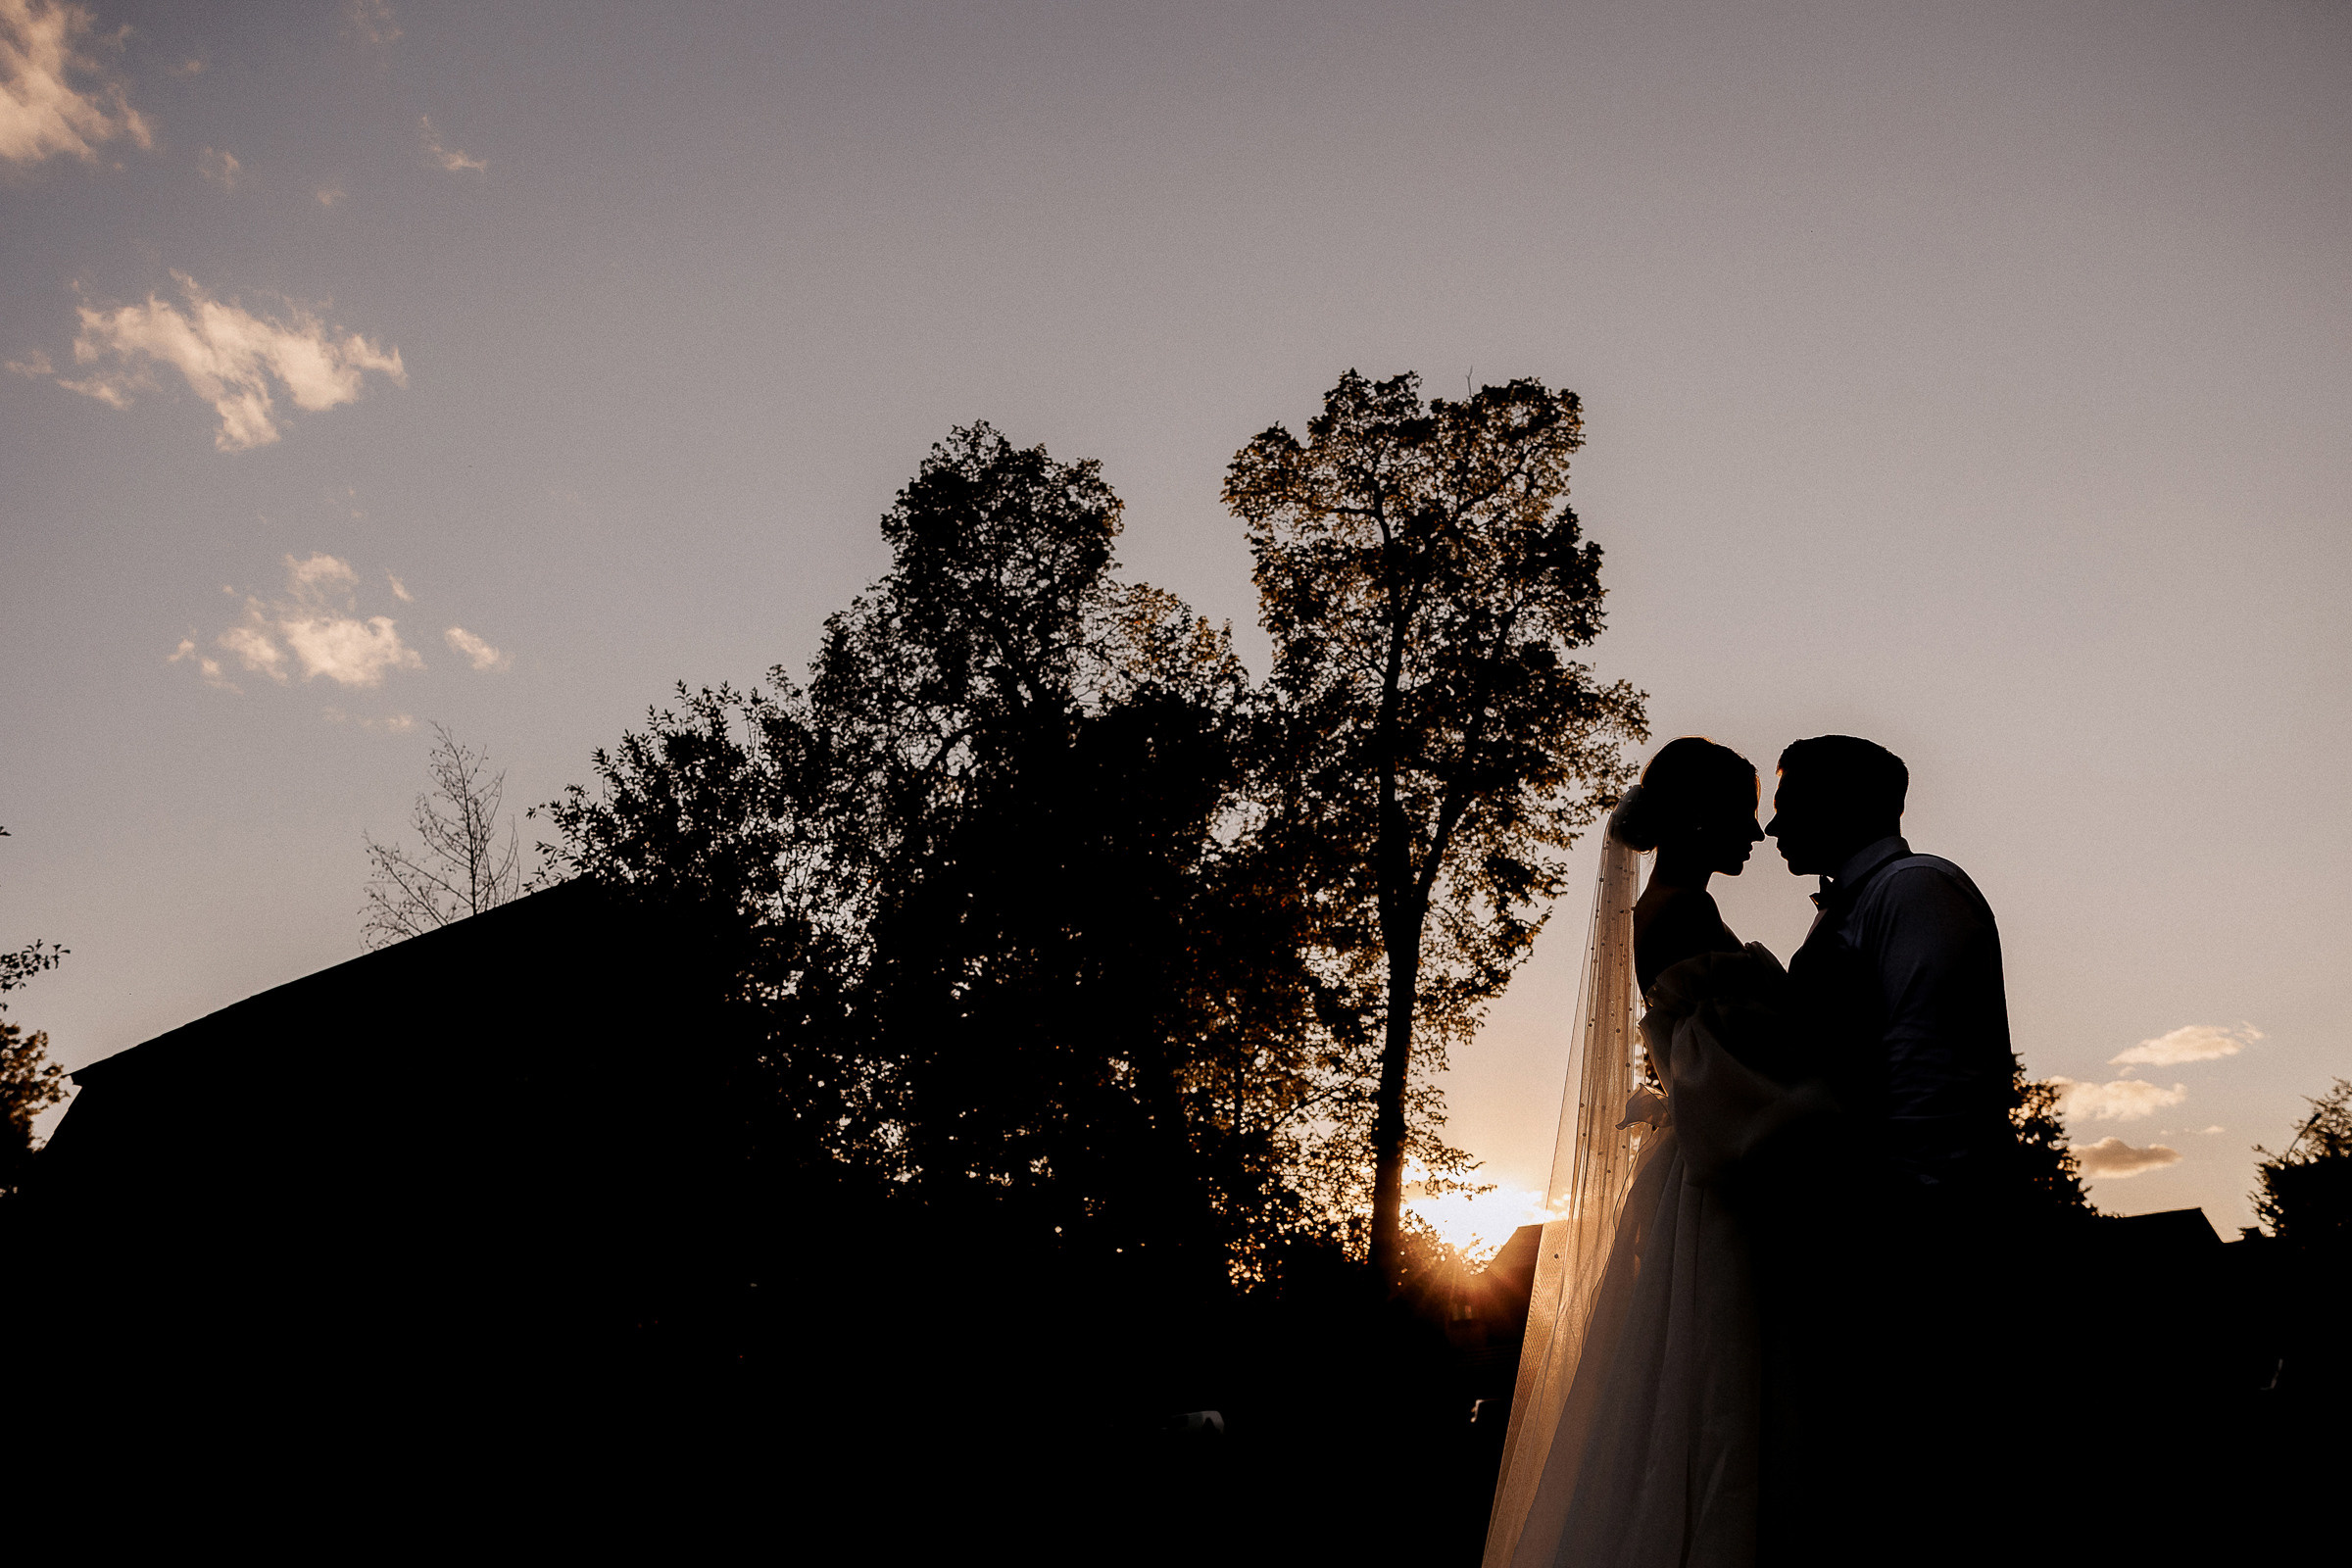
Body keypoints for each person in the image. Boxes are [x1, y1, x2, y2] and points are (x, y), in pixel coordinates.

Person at [1485, 738, 1819, 1568]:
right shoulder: (1685, 915)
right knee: (1724, 1389)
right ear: (1699, 816)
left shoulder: (1664, 909)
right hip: (1720, 1166)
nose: (1757, 834)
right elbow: (1728, 1073)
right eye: (1742, 813)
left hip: (1692, 1162)